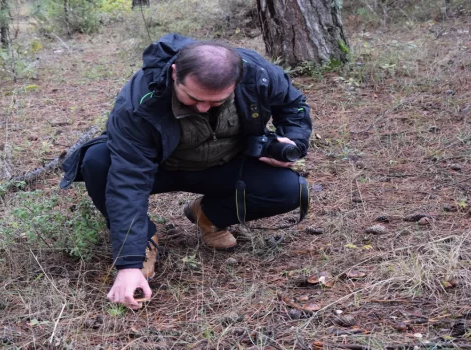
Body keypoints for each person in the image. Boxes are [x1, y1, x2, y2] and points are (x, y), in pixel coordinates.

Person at [60, 33, 312, 310]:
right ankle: (143, 240)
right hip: (158, 169)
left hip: (225, 164)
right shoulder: (139, 99)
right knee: (98, 161)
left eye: (216, 102)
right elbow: (128, 180)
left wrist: (295, 141)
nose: (203, 107)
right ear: (175, 73)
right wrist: (128, 262)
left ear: (236, 82)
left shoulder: (258, 74)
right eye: (192, 99)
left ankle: (209, 215)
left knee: (289, 190)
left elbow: (293, 105)